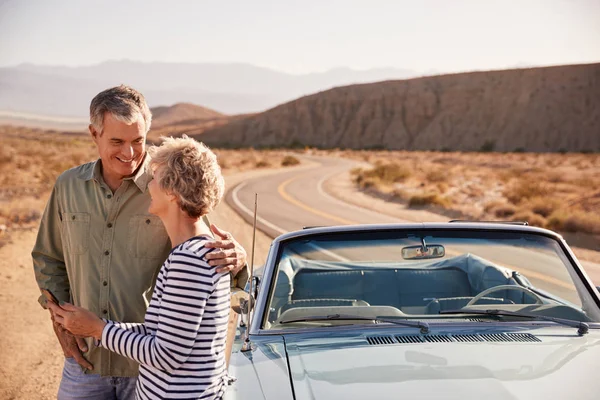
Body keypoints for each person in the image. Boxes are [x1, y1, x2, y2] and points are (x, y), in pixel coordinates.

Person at [32, 85, 247, 399]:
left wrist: (237, 259)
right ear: (94, 134)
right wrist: (62, 322)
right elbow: (49, 259)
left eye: (138, 140)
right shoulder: (68, 186)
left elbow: (205, 245)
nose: (129, 153)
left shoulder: (169, 183)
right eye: (117, 141)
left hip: (148, 370)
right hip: (87, 360)